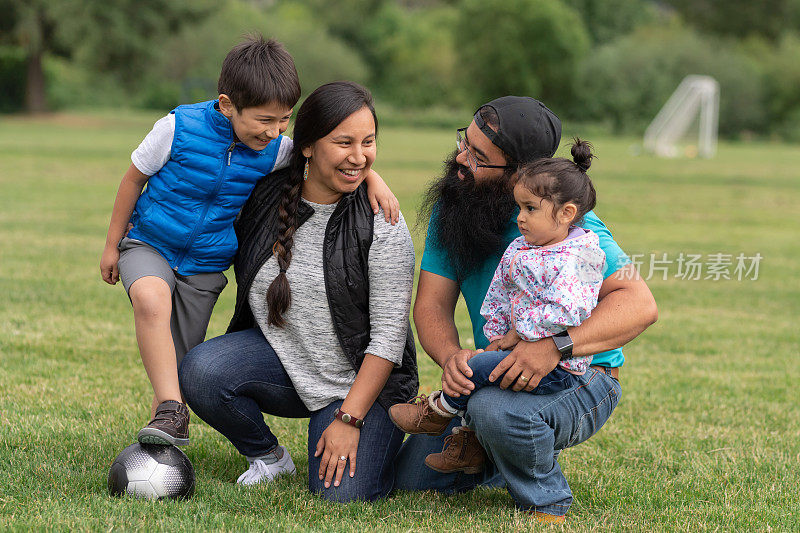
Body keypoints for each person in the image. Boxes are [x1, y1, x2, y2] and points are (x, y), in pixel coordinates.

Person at [99, 37, 399, 447]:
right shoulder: (177, 128)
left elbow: (329, 158)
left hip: (204, 263)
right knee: (152, 303)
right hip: (150, 242)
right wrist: (112, 245)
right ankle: (173, 410)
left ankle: (164, 429)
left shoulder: (275, 149)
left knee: (182, 361)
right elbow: (133, 178)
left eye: (283, 120)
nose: (275, 131)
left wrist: (372, 176)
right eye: (264, 120)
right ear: (226, 105)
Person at [394, 96, 658, 523]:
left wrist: (554, 348)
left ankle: (535, 485)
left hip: (580, 379)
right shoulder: (454, 206)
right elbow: (430, 306)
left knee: (490, 412)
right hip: (498, 374)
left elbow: (639, 304)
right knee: (411, 481)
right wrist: (452, 359)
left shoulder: (572, 229)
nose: (461, 159)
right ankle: (496, 448)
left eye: (479, 157)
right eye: (465, 142)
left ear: (520, 172)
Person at [178, 81, 418, 503]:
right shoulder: (264, 194)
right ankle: (268, 456)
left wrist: (348, 418)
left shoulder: (383, 220)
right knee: (203, 371)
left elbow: (388, 339)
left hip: (362, 385)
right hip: (286, 362)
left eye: (369, 142)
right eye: (343, 142)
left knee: (339, 497)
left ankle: (424, 449)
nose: (359, 157)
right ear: (306, 146)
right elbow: (204, 185)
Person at [389, 139, 606, 476]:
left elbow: (572, 308)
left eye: (529, 209)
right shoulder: (523, 245)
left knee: (480, 371)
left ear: (566, 214)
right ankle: (472, 446)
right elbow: (500, 295)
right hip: (513, 347)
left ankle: (437, 413)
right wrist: (496, 335)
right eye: (519, 208)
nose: (521, 218)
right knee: (411, 479)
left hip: (564, 366)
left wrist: (524, 333)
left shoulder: (585, 249)